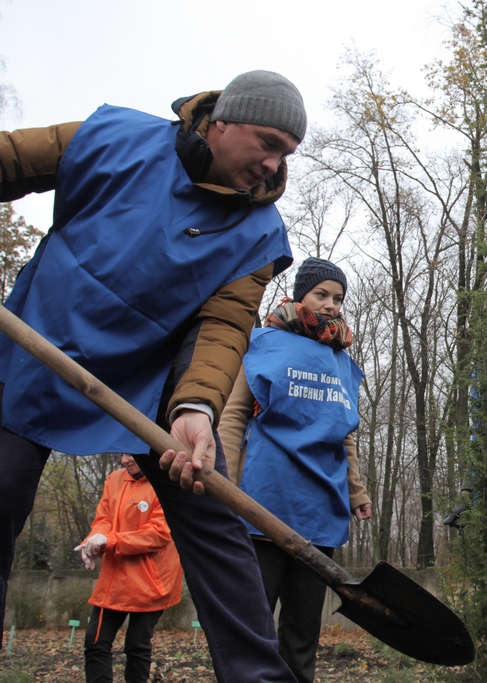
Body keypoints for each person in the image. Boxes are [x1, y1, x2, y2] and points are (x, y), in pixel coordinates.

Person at [1, 70, 306, 681]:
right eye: (267, 142)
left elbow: (222, 328)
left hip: (154, 379)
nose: (274, 164)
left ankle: (258, 677)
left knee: (211, 508)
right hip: (40, 342)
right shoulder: (113, 138)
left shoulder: (258, 234)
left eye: (287, 154)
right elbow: (11, 157)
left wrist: (197, 409)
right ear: (220, 122)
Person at [219, 257, 372, 683]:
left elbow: (345, 433)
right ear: (300, 294)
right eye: (321, 294)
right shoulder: (264, 342)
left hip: (321, 509)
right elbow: (232, 418)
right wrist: (226, 487)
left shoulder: (342, 361)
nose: (330, 305)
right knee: (252, 626)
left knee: (302, 634)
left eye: (338, 298)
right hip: (263, 504)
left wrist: (356, 492)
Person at [77, 453, 183, 683]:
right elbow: (103, 518)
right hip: (114, 579)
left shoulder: (166, 483)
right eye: (123, 454)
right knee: (95, 643)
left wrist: (111, 540)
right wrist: (95, 538)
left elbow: (159, 534)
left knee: (137, 645)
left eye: (131, 455)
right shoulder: (114, 479)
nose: (125, 461)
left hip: (152, 581)